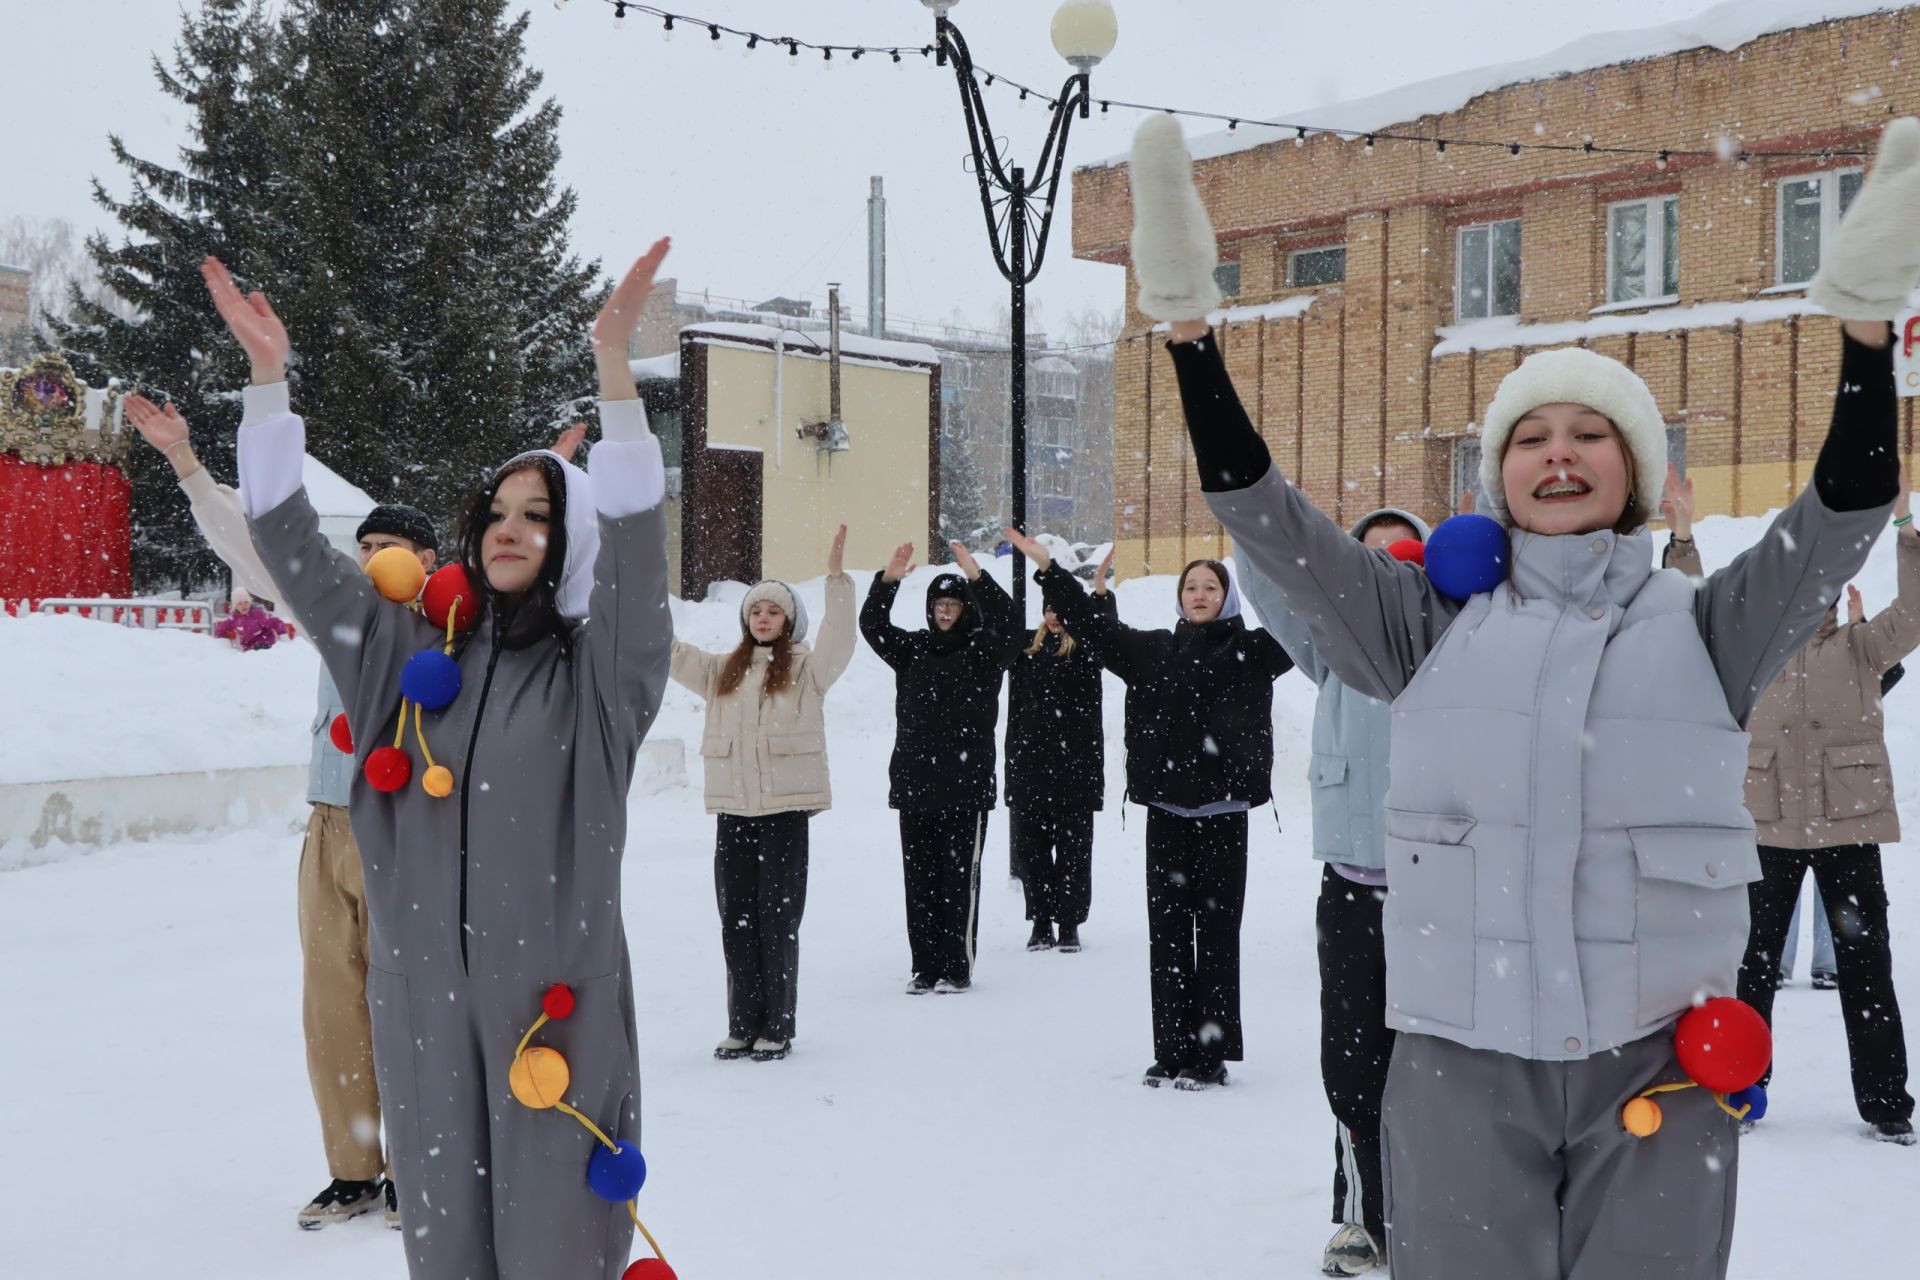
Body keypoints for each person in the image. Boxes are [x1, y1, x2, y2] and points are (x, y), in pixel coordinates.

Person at [1125, 111, 1909, 1275]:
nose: (1558, 452)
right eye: (1530, 436)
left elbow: (1843, 512)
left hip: (1663, 1067)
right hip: (1460, 1059)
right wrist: (1192, 339)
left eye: (1592, 432)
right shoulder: (1423, 631)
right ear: (1498, 474)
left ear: (1634, 471)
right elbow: (1268, 521)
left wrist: (1862, 337)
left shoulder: (1708, 630)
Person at [208, 237, 675, 1280]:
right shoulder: (409, 662)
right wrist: (269, 387)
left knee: (556, 1257)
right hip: (418, 1007)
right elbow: (294, 553)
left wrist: (615, 374)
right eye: (496, 512)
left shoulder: (599, 683)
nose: (509, 528)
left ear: (571, 542)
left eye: (539, 515)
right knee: (448, 1261)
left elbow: (642, 564)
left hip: (553, 1016)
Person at [124, 395, 445, 1231]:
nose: (371, 559)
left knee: (409, 1000)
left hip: (410, 833)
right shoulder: (333, 614)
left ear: (429, 560)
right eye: (364, 546)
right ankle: (354, 1170)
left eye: (390, 548)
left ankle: (418, 1168)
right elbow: (256, 546)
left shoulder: (451, 632)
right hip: (330, 825)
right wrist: (189, 467)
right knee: (332, 1004)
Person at [1006, 529, 1294, 1091]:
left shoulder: (1254, 650)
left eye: (1211, 586)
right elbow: (1095, 626)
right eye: (1191, 586)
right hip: (1166, 813)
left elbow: (1306, 622)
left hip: (1222, 815)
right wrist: (1049, 572)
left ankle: (1209, 1055)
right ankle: (1172, 1049)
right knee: (1166, 935)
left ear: (1228, 597)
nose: (1199, 593)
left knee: (1214, 934)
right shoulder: (1155, 650)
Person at [1240, 505, 1428, 1276]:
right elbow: (1271, 591)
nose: (1379, 568)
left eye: (1396, 554)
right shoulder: (1332, 648)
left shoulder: (1451, 640)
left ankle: (1435, 1210)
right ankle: (1361, 1217)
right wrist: (1245, 520)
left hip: (1440, 889)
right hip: (1352, 887)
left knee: (1439, 1064)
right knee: (1355, 1065)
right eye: (1365, 555)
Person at [1705, 464, 1916, 1144]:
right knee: (1749, 969)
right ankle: (1739, 1091)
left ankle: (1886, 1104)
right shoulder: (1748, 652)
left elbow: (1915, 613)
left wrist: (1907, 527)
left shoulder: (1861, 647)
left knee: (1865, 969)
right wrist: (1681, 539)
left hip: (1847, 831)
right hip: (1764, 830)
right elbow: (1685, 615)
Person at [670, 527, 855, 1062]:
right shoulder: (720, 671)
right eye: (756, 612)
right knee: (737, 920)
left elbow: (841, 640)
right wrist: (633, 596)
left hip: (782, 815)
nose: (764, 619)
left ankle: (777, 1024)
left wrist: (838, 580)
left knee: (777, 918)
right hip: (734, 813)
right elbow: (669, 650)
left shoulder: (806, 670)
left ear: (789, 620)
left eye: (774, 612)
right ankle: (742, 1023)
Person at [860, 540, 1019, 994]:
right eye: (938, 605)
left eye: (953, 604)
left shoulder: (985, 653)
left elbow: (1009, 625)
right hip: (915, 783)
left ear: (965, 608)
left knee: (957, 881)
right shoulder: (911, 649)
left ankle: (956, 966)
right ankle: (925, 966)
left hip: (965, 788)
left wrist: (977, 576)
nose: (945, 612)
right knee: (920, 881)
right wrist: (887, 582)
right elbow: (872, 625)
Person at [1003, 546, 1116, 954]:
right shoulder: (1025, 652)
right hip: (1031, 768)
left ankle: (1068, 923)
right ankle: (1041, 921)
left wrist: (1101, 594)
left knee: (1073, 851)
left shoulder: (1086, 652)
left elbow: (1106, 630)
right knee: (1032, 853)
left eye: (1061, 610)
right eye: (1049, 609)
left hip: (1075, 771)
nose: (1054, 616)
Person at [213, 587, 295, 650]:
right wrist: (222, 642)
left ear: (250, 602)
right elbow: (221, 629)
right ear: (235, 606)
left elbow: (276, 622)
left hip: (265, 644)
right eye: (240, 603)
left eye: (246, 602)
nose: (244, 606)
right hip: (249, 649)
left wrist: (284, 636)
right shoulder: (234, 618)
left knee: (259, 647)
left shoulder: (258, 614)